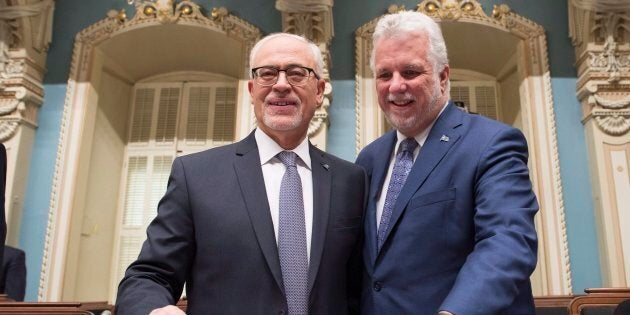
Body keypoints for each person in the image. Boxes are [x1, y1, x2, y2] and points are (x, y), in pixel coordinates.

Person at [115, 33, 365, 315]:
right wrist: (153, 310)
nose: (281, 85)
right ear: (251, 90)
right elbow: (149, 276)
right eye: (267, 74)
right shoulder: (196, 176)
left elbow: (359, 288)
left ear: (319, 91)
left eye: (297, 73)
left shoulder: (351, 181)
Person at [355, 11, 538, 315]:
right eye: (385, 75)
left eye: (410, 72)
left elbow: (507, 241)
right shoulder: (369, 158)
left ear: (442, 76)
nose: (395, 86)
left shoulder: (492, 144)